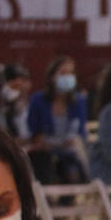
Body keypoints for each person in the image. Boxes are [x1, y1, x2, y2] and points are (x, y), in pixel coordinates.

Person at [27, 55, 90, 184]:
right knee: (43, 162)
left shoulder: (79, 101)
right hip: (44, 150)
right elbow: (34, 131)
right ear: (52, 77)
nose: (67, 77)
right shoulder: (38, 100)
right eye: (63, 73)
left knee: (74, 167)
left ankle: (72, 199)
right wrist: (48, 142)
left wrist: (72, 141)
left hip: (70, 150)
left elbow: (79, 131)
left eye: (71, 73)